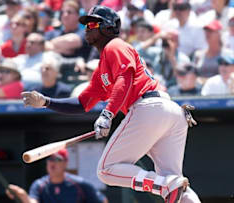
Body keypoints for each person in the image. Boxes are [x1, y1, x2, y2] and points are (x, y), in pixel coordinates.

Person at [21, 5, 200, 203]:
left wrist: (107, 115)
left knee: (106, 170)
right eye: (86, 24)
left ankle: (165, 186)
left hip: (149, 107)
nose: (87, 28)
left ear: (107, 28)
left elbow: (126, 79)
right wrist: (47, 102)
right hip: (169, 112)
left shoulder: (115, 46)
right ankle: (170, 186)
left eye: (92, 23)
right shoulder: (102, 68)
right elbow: (82, 103)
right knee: (176, 183)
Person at [6, 148, 108, 203]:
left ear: (65, 163)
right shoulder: (39, 185)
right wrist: (22, 195)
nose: (52, 163)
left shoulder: (80, 184)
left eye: (57, 159)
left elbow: (103, 201)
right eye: (50, 159)